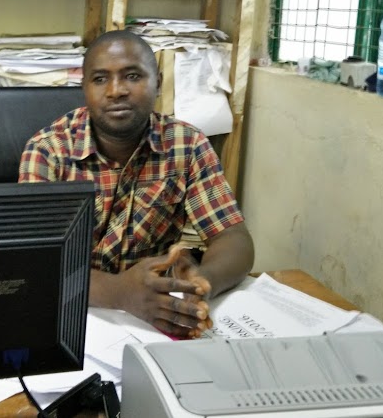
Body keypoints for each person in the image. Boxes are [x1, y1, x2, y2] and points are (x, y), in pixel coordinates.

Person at [19, 30, 254, 338]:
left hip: (154, 312)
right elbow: (34, 264)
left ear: (157, 82)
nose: (116, 91)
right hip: (74, 309)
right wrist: (119, 292)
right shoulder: (48, 151)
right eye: (100, 79)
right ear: (84, 87)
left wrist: (201, 281)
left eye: (132, 76)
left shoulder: (187, 144)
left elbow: (233, 237)